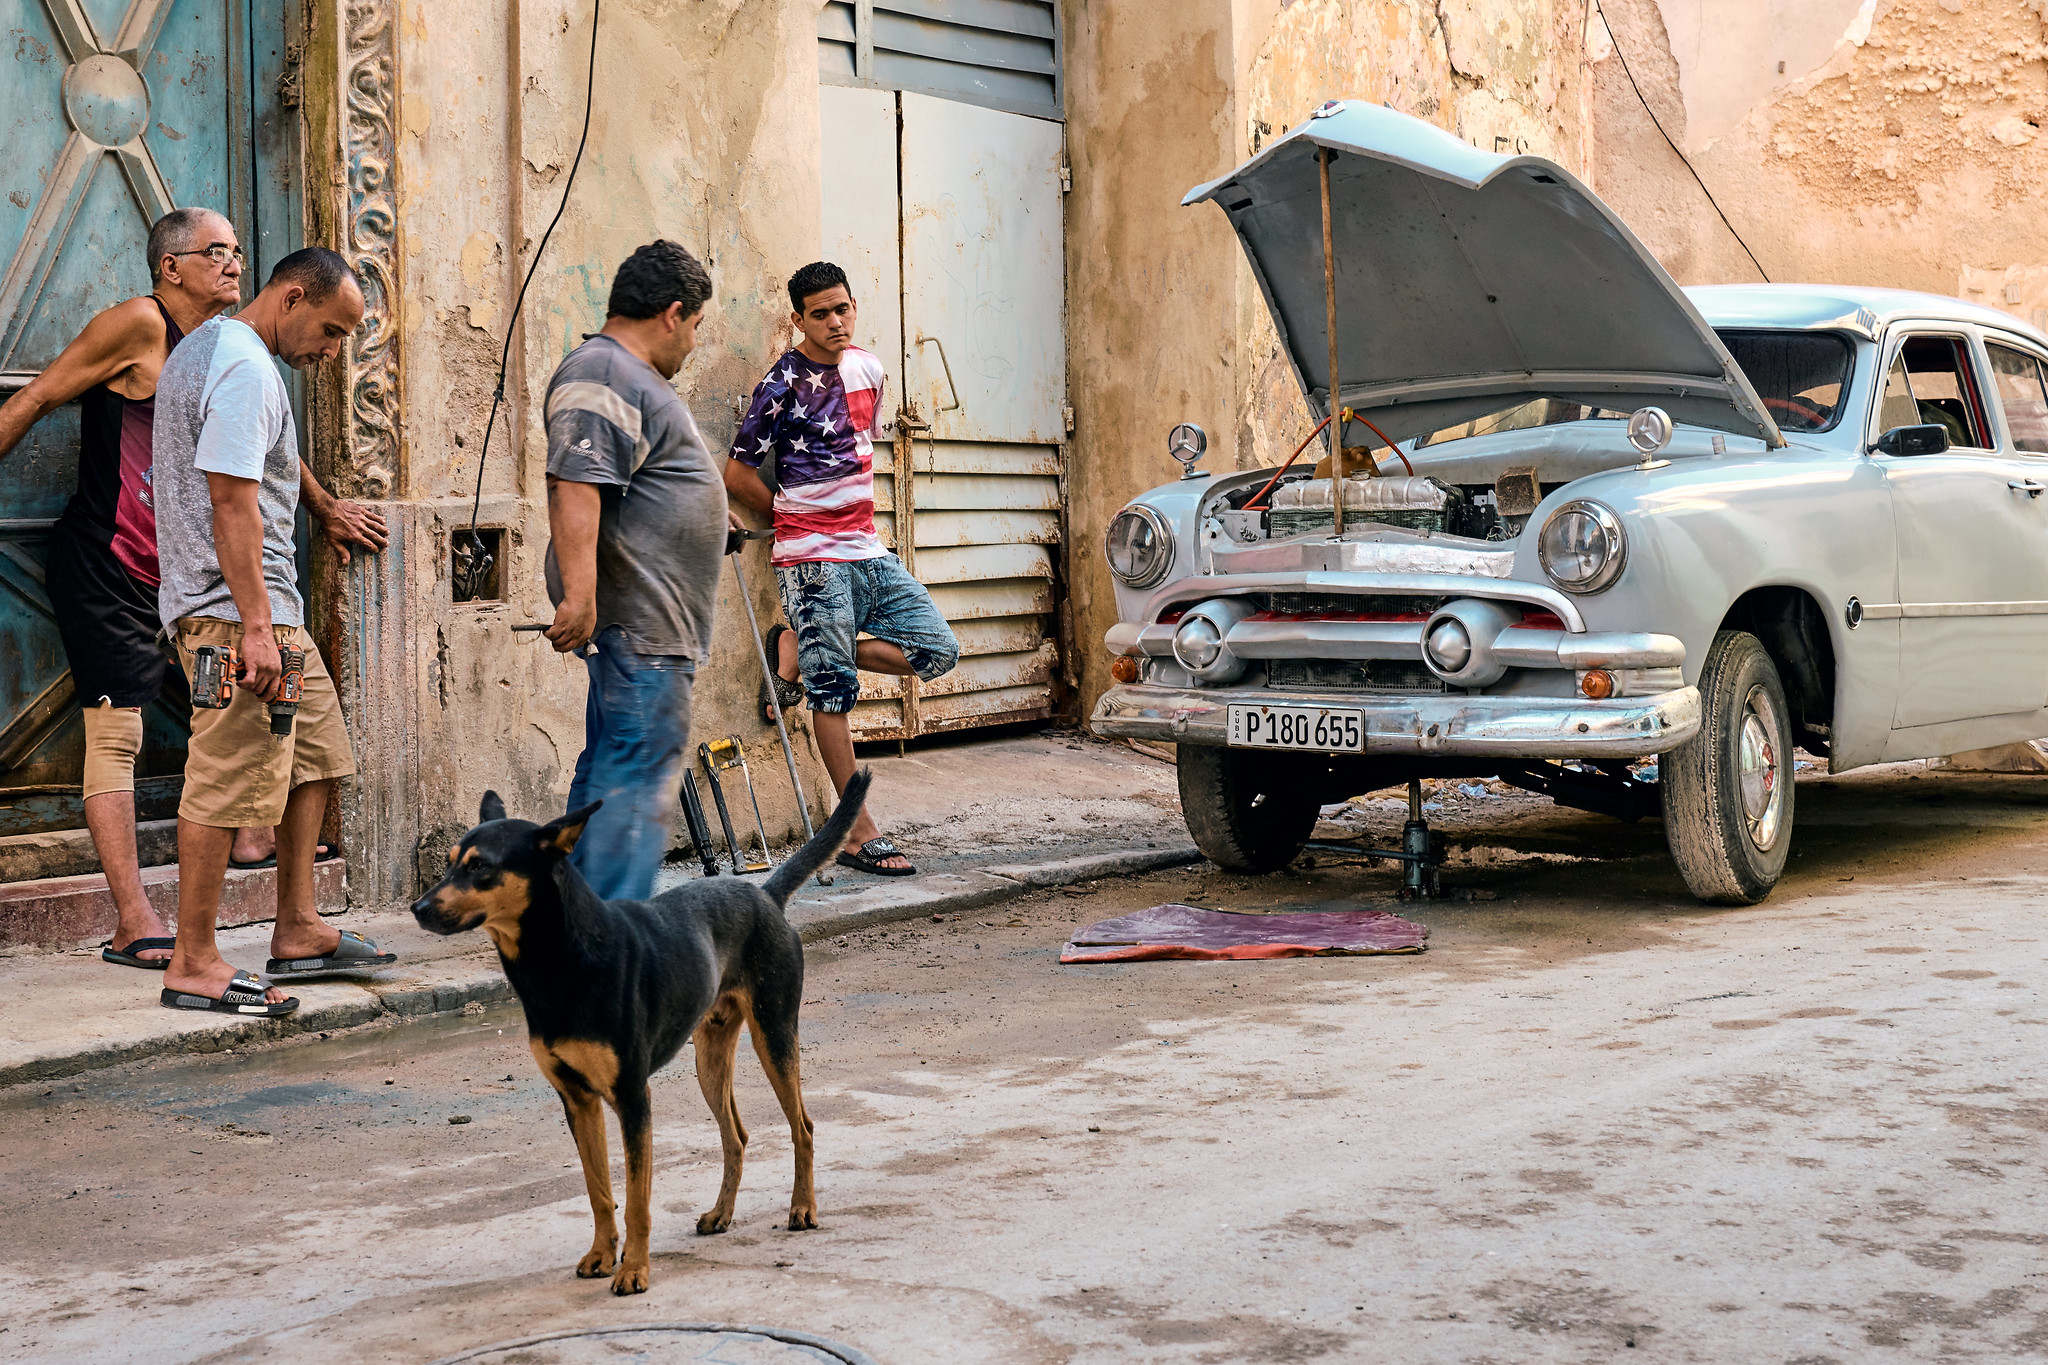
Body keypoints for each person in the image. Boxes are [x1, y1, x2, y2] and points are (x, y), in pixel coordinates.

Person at [0, 209, 386, 973]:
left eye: (240, 250)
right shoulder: (151, 329)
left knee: (291, 737)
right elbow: (41, 397)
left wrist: (325, 506)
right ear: (170, 266)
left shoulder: (223, 349)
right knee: (144, 736)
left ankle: (286, 905)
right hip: (123, 563)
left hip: (193, 571)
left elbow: (259, 448)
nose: (234, 263)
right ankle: (142, 921)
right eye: (216, 253)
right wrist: (253, 616)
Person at [153, 247, 394, 1015]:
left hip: (270, 612)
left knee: (319, 753)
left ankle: (296, 927)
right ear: (291, 298)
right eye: (328, 331)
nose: (330, 353)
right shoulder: (247, 368)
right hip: (236, 618)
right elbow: (232, 501)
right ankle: (193, 960)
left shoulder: (213, 348)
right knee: (224, 784)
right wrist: (255, 626)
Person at [724, 261, 958, 877]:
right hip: (812, 556)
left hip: (867, 549)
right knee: (833, 693)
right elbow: (737, 473)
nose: (834, 322)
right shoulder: (782, 382)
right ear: (797, 318)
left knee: (935, 651)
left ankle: (801, 648)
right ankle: (855, 831)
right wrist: (793, 515)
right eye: (819, 313)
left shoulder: (869, 369)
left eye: (842, 309)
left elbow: (857, 451)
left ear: (854, 307)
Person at [542, 240, 729, 902]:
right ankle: (611, 944)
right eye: (699, 326)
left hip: (643, 628)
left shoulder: (623, 376)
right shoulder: (607, 370)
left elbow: (630, 488)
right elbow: (577, 484)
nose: (695, 343)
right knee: (636, 777)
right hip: (642, 631)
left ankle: (578, 924)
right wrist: (582, 596)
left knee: (610, 771)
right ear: (673, 313)